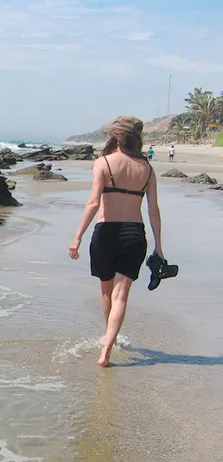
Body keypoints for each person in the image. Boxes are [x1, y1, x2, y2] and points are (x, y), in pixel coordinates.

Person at [68, 116, 163, 367]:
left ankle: (108, 338)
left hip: (105, 233)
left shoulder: (103, 163)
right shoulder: (147, 169)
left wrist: (77, 237)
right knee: (121, 296)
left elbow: (93, 203)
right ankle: (108, 348)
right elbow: (154, 211)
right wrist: (159, 247)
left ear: (116, 137)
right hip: (134, 234)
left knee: (106, 291)